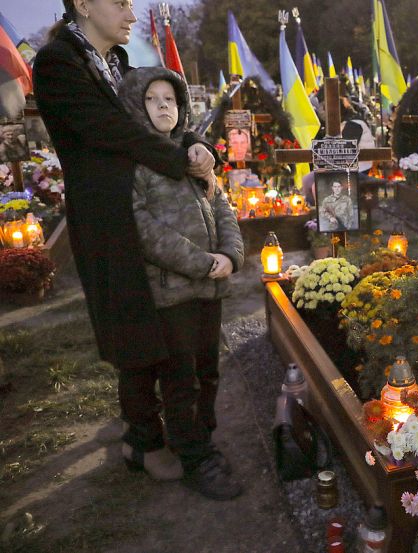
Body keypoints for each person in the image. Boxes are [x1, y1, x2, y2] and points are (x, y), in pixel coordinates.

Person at [33, 0, 218, 481]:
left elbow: (160, 109)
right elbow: (113, 130)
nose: (132, 15)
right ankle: (143, 439)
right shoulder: (59, 64)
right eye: (120, 2)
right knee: (132, 326)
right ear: (84, 5)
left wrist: (199, 144)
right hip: (108, 216)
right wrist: (181, 162)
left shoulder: (117, 64)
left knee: (165, 320)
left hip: (150, 207)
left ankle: (165, 428)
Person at [121, 67, 244, 499]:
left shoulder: (193, 155)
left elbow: (221, 203)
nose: (163, 107)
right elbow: (144, 228)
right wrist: (201, 263)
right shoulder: (137, 162)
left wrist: (230, 255)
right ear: (137, 106)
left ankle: (202, 440)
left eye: (170, 99)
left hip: (210, 288)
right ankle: (194, 457)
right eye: (152, 99)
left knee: (208, 371)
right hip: (173, 293)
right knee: (182, 379)